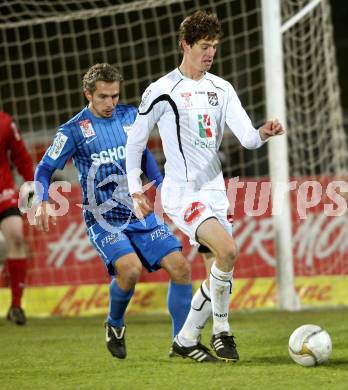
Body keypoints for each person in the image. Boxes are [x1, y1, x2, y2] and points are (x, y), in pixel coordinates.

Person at [126, 10, 284, 362]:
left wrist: (263, 132)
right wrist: (136, 188)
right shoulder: (162, 90)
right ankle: (222, 330)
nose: (210, 53)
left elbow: (247, 139)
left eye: (214, 46)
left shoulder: (222, 89)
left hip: (215, 191)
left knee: (221, 265)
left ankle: (186, 339)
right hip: (182, 193)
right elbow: (135, 143)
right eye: (203, 46)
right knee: (227, 252)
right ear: (185, 44)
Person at [33, 63, 205, 361]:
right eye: (103, 97)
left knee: (181, 268)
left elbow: (144, 154)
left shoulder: (130, 116)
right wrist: (42, 199)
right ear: (87, 93)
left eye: (114, 95)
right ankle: (114, 324)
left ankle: (182, 342)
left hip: (139, 211)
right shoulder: (73, 130)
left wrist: (162, 185)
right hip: (104, 219)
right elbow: (44, 169)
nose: (110, 103)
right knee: (131, 270)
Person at [0, 111, 34, 325]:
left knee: (17, 238)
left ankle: (16, 306)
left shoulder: (5, 122)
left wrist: (33, 196)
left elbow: (22, 159)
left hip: (3, 191)